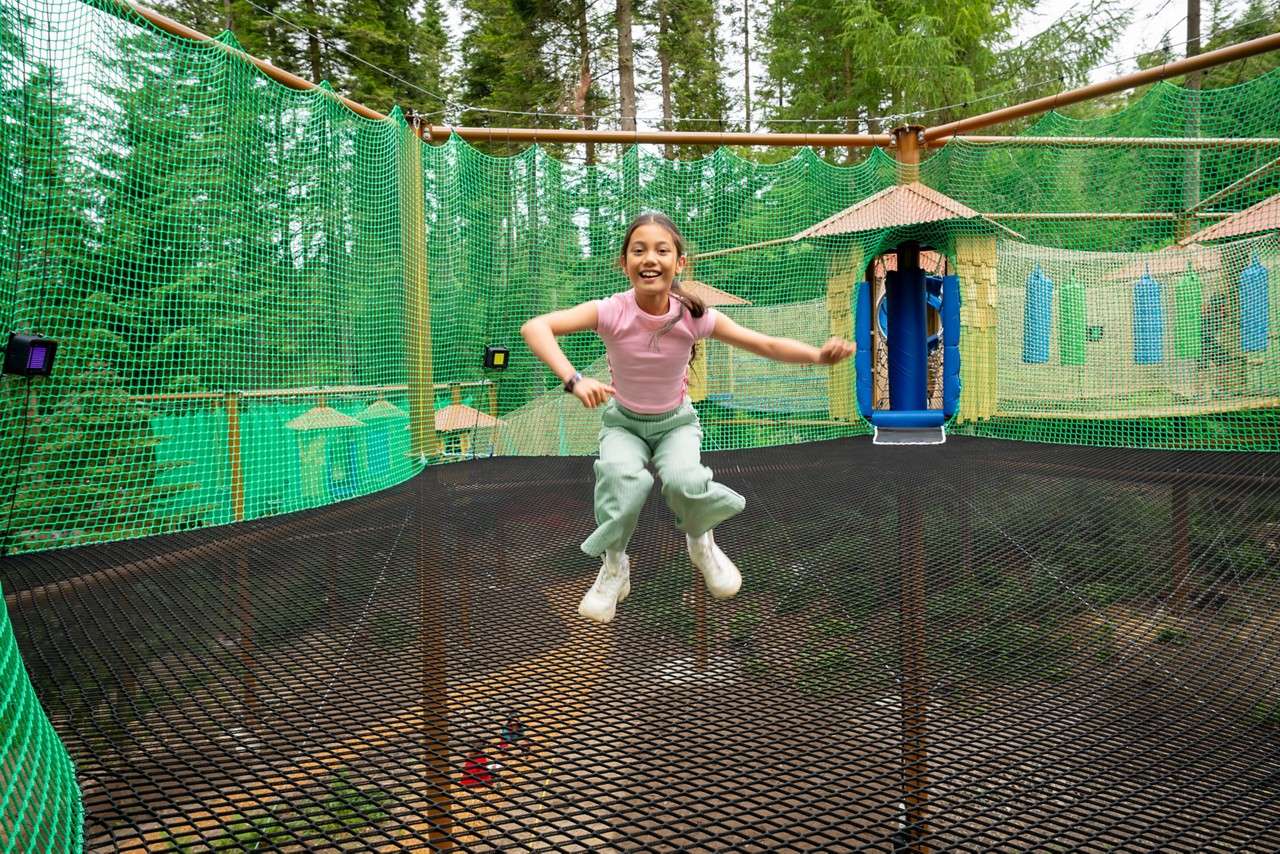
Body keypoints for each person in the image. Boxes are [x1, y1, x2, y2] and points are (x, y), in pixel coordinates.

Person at [521, 211, 855, 624]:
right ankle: (614, 566)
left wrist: (818, 356)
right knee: (618, 478)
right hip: (624, 423)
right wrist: (573, 380)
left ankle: (702, 543)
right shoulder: (610, 311)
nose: (650, 258)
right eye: (638, 250)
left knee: (685, 480)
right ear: (624, 263)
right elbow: (536, 327)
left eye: (662, 250)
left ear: (680, 263)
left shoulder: (693, 316)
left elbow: (765, 344)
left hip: (675, 424)